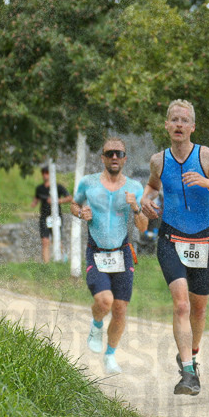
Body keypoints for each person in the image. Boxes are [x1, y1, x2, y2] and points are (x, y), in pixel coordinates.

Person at [141, 100, 209, 396]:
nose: (179, 125)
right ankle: (187, 373)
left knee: (198, 310)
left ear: (193, 127)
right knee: (182, 304)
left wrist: (208, 183)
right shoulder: (158, 161)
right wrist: (147, 200)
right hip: (170, 238)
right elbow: (151, 187)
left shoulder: (207, 156)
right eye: (174, 120)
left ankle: (192, 355)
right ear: (167, 126)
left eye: (185, 120)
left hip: (202, 241)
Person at [70, 138, 148, 375]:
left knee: (120, 309)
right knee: (104, 301)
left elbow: (143, 226)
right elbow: (74, 205)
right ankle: (96, 325)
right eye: (109, 153)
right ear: (102, 157)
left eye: (119, 153)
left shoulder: (134, 187)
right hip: (97, 252)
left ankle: (110, 355)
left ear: (125, 158)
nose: (114, 157)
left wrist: (135, 208)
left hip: (122, 253)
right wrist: (80, 212)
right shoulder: (88, 183)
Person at [32, 167, 72, 263]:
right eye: (44, 173)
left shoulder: (58, 187)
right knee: (45, 241)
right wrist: (33, 203)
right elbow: (36, 198)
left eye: (47, 173)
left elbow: (69, 198)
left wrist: (57, 201)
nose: (45, 175)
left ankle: (63, 258)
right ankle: (46, 264)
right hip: (44, 217)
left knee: (57, 240)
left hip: (56, 217)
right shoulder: (39, 188)